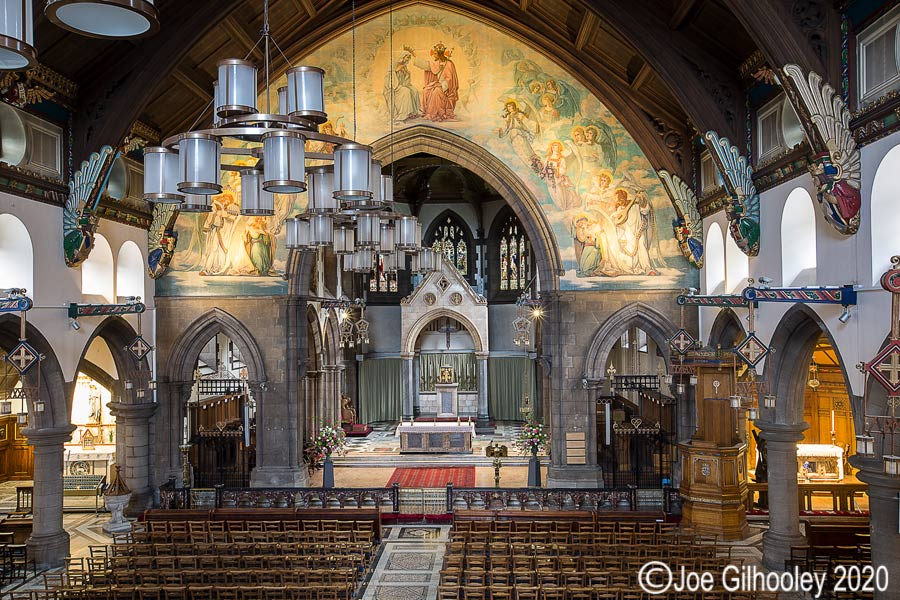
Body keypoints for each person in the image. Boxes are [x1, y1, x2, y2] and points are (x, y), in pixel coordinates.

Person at [414, 42, 459, 121]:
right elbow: (426, 66)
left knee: (436, 92)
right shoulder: (436, 63)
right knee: (426, 90)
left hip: (446, 88)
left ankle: (435, 113)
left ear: (440, 54)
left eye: (435, 53)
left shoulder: (448, 64)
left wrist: (442, 85)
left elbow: (450, 80)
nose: (434, 55)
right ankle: (426, 112)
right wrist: (415, 57)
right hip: (437, 84)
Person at [383, 47, 421, 122]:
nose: (408, 60)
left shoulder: (404, 66)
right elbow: (389, 77)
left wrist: (406, 74)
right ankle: (404, 114)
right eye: (407, 57)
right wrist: (396, 71)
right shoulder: (394, 64)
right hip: (393, 88)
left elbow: (406, 81)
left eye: (409, 58)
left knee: (414, 90)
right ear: (403, 57)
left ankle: (414, 112)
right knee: (406, 91)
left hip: (400, 86)